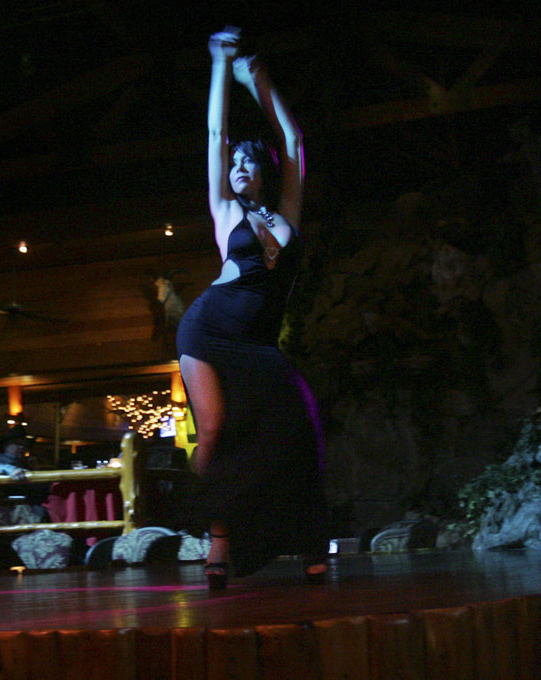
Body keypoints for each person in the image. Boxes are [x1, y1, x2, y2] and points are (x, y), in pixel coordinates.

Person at [176, 28, 328, 588]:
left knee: (299, 424)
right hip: (208, 331)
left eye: (247, 161)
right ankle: (217, 542)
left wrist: (257, 78)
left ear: (262, 170)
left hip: (260, 344)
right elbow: (216, 133)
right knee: (215, 431)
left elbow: (293, 140)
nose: (238, 166)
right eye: (233, 163)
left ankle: (308, 540)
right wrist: (220, 63)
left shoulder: (285, 214)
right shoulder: (225, 211)